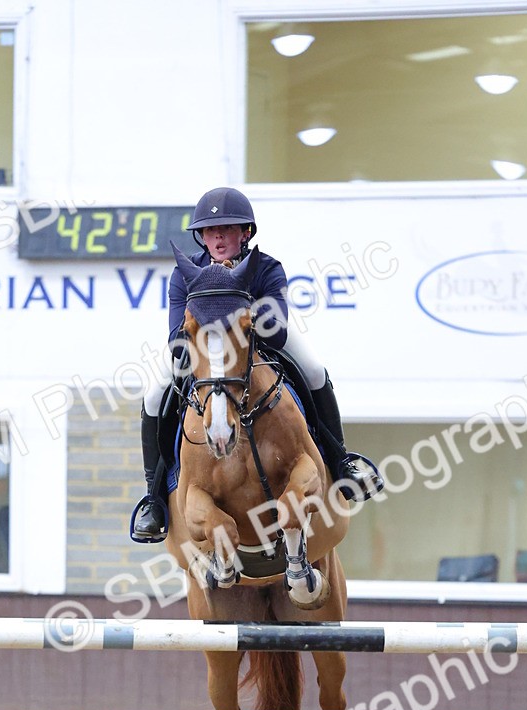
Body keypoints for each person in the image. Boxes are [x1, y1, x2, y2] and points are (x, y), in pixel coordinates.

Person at [131, 186, 383, 542]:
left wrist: (240, 329)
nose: (217, 237)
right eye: (209, 231)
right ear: (201, 237)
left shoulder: (265, 268)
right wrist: (209, 347)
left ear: (245, 232)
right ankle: (154, 496)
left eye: (227, 228)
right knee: (155, 393)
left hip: (257, 349)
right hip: (205, 354)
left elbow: (276, 329)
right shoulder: (186, 274)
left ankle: (341, 461)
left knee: (312, 369)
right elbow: (177, 336)